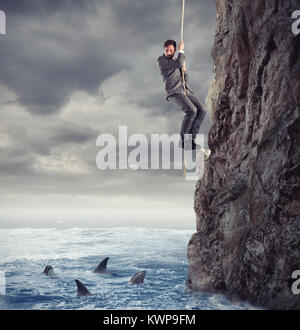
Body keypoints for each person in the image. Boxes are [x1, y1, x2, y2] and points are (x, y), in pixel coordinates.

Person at [157, 39, 206, 150]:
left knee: (202, 110)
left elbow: (186, 79)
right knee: (191, 110)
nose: (168, 52)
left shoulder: (177, 60)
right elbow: (178, 63)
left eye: (170, 50)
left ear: (173, 51)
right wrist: (181, 50)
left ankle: (191, 139)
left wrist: (184, 70)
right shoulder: (161, 60)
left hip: (184, 90)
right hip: (173, 92)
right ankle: (184, 142)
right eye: (166, 50)